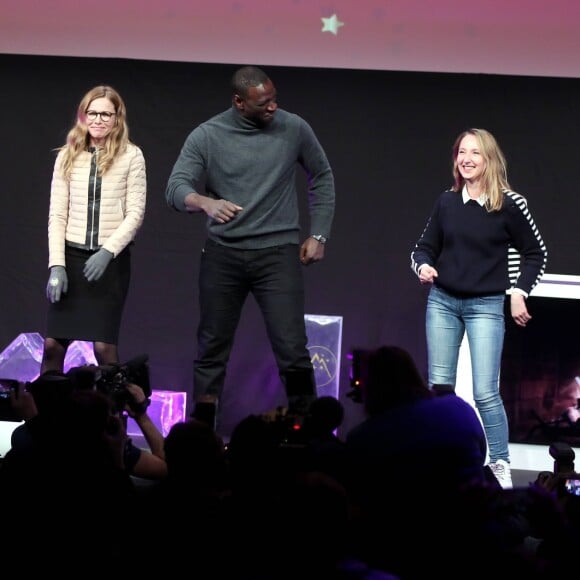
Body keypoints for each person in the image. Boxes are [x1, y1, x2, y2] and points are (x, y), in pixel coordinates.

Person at [165, 65, 335, 423]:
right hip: (223, 256)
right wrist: (205, 202)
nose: (273, 107)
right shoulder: (208, 135)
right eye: (263, 103)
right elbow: (176, 187)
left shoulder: (294, 128)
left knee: (292, 347)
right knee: (211, 347)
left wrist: (318, 234)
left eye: (274, 99)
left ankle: (309, 432)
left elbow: (321, 175)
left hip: (277, 254)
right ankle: (202, 432)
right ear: (239, 102)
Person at [410, 128, 548, 489]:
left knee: (485, 392)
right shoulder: (447, 201)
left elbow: (536, 253)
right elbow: (423, 247)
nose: (467, 159)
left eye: (475, 153)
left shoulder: (509, 203)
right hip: (442, 302)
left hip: (485, 305)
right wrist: (423, 267)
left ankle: (500, 463)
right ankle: (439, 461)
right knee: (439, 388)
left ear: (489, 159)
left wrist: (519, 291)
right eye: (461, 152)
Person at [40, 85, 147, 374]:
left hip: (109, 262)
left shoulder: (131, 156)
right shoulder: (67, 155)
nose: (98, 119)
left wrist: (108, 251)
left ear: (117, 118)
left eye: (106, 114)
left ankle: (115, 415)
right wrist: (57, 266)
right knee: (52, 347)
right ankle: (48, 416)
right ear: (83, 116)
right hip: (71, 260)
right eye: (93, 113)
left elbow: (135, 213)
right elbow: (57, 215)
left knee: (104, 349)